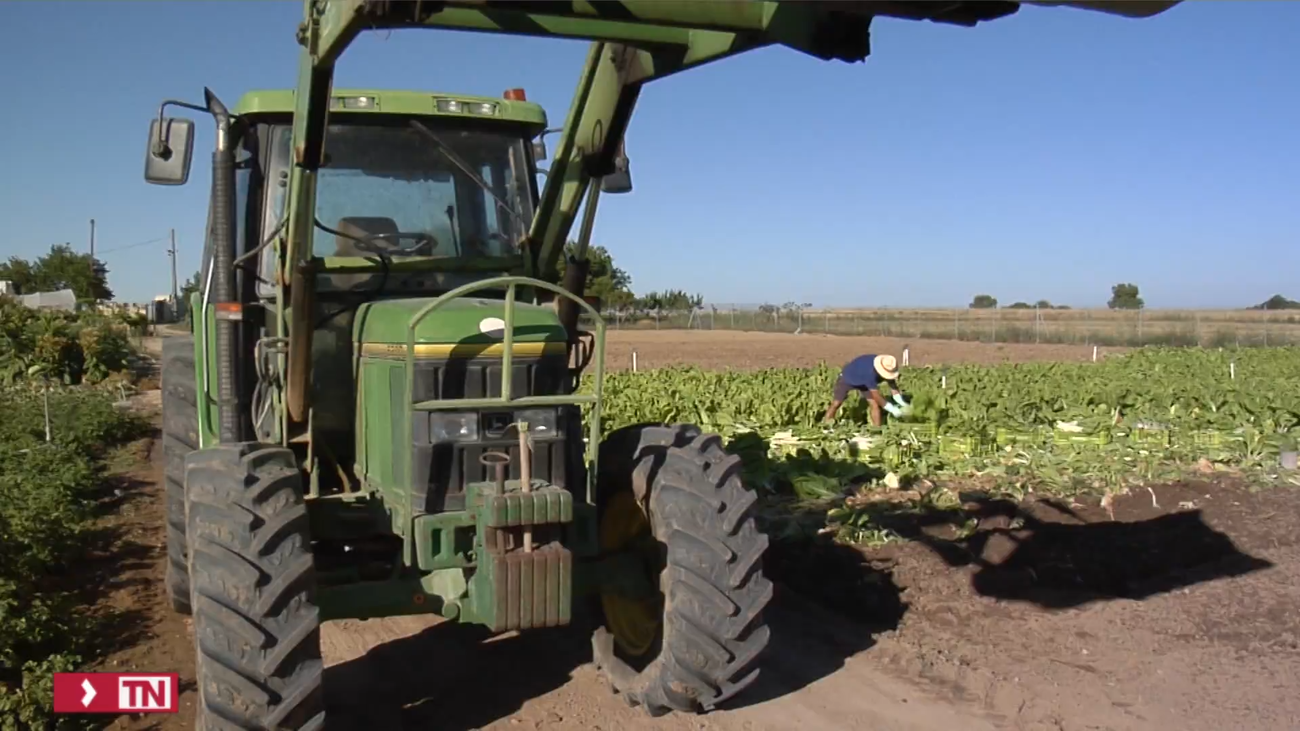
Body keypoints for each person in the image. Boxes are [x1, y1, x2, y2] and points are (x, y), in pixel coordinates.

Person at [823, 353, 906, 426]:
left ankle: (877, 430)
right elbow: (876, 395)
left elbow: (893, 386)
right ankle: (826, 425)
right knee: (836, 403)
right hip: (848, 378)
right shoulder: (870, 373)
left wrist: (902, 402)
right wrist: (891, 408)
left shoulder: (886, 365)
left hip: (864, 382)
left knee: (874, 405)